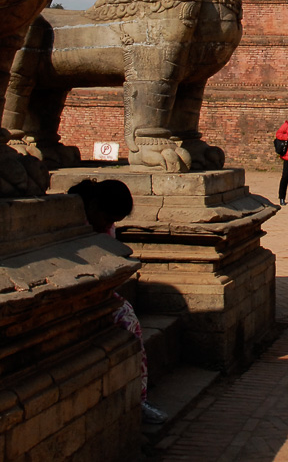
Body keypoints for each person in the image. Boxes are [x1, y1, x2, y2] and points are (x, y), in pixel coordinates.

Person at [67, 178, 167, 424]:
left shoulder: (103, 227)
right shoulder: (72, 220)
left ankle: (139, 397)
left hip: (101, 290)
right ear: (95, 207)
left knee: (129, 319)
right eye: (109, 218)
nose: (109, 225)